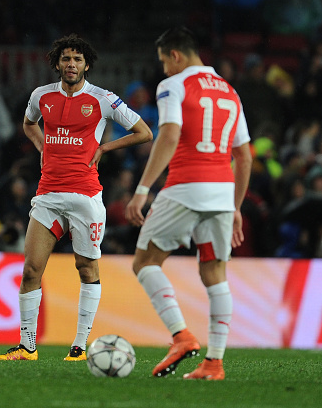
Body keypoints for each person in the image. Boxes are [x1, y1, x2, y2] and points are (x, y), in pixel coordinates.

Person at [0, 33, 152, 362]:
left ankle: (79, 347)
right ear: (57, 63)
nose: (71, 64)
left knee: (86, 268)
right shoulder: (41, 96)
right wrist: (41, 145)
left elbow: (145, 132)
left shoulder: (103, 99)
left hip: (85, 197)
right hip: (47, 195)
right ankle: (27, 346)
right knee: (31, 270)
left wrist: (106, 146)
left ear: (86, 64)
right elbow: (28, 123)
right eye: (66, 59)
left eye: (77, 59)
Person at [125, 27, 252, 380]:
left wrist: (142, 188)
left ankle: (181, 335)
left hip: (186, 187)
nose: (164, 70)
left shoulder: (174, 85)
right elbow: (243, 157)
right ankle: (214, 363)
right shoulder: (231, 91)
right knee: (215, 274)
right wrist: (236, 206)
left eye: (164, 61)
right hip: (222, 193)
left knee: (145, 262)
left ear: (176, 55)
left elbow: (169, 134)